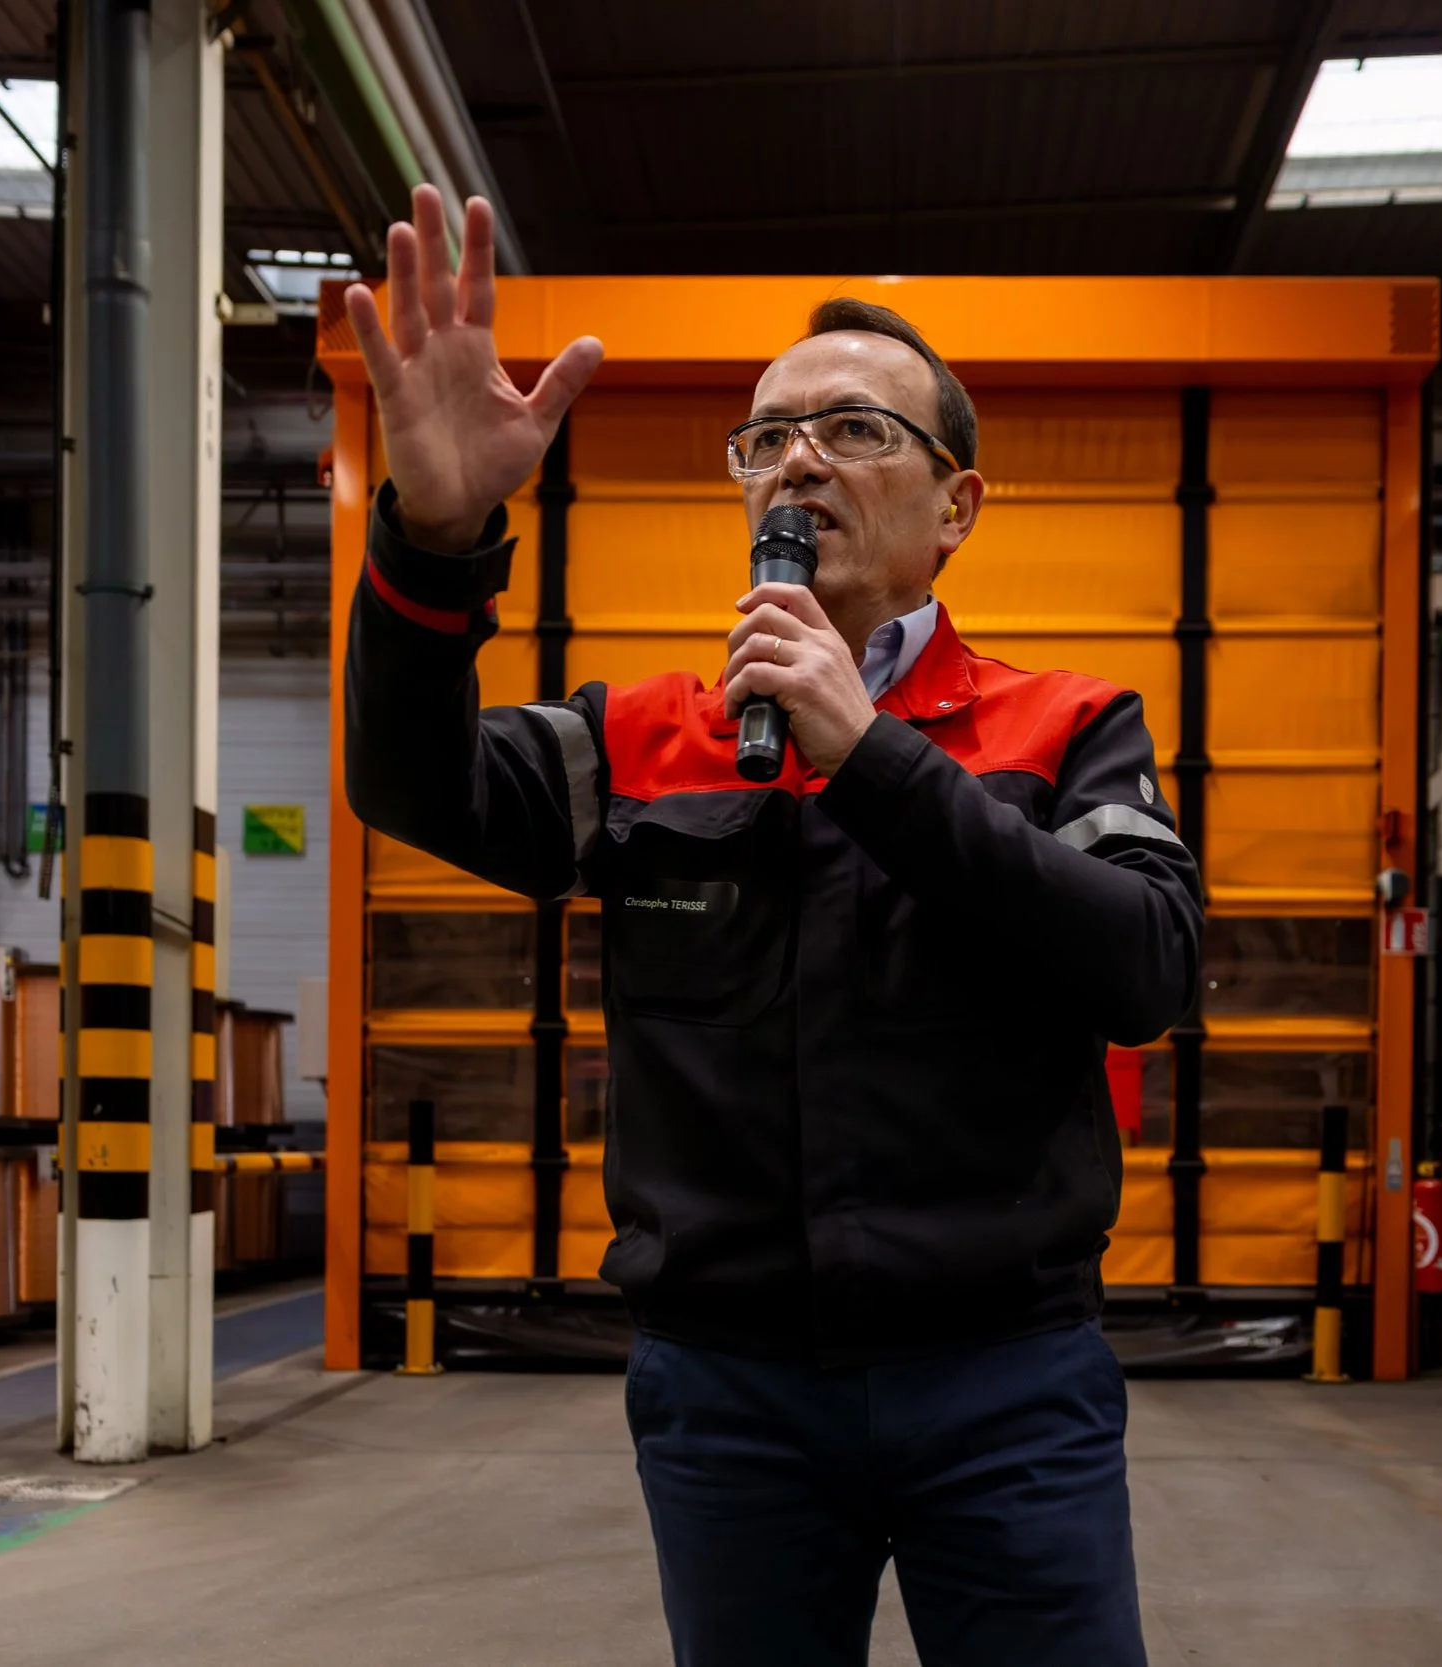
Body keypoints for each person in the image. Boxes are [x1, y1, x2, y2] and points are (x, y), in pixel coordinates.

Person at [343, 185, 1202, 1667]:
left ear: (957, 505)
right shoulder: (648, 736)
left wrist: (870, 752)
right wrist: (432, 537)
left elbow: (1144, 964)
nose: (798, 458)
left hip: (1006, 1378)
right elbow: (410, 782)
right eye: (767, 437)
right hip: (730, 1395)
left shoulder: (1069, 727)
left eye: (856, 428)